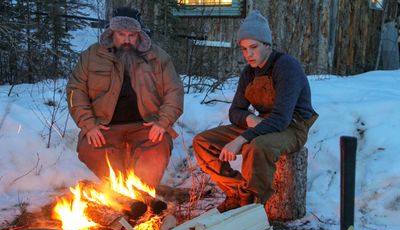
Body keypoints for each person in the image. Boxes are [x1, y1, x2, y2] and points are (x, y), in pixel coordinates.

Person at [192, 10, 318, 212]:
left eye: (254, 47)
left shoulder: (286, 67)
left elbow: (282, 118)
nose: (248, 54)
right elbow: (235, 111)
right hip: (263, 124)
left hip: (292, 128)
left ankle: (252, 207)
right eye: (243, 49)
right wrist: (249, 118)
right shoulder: (249, 72)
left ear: (267, 45)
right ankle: (238, 193)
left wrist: (241, 139)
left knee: (256, 146)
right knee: (202, 142)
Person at [67, 7, 184, 188]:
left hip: (146, 125)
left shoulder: (158, 57)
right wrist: (89, 125)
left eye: (132, 35)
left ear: (140, 34)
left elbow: (174, 91)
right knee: (91, 149)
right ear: (112, 32)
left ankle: (141, 194)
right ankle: (122, 194)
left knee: (157, 151)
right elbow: (76, 90)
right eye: (121, 34)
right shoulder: (92, 56)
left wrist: (163, 122)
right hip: (105, 126)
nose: (127, 40)